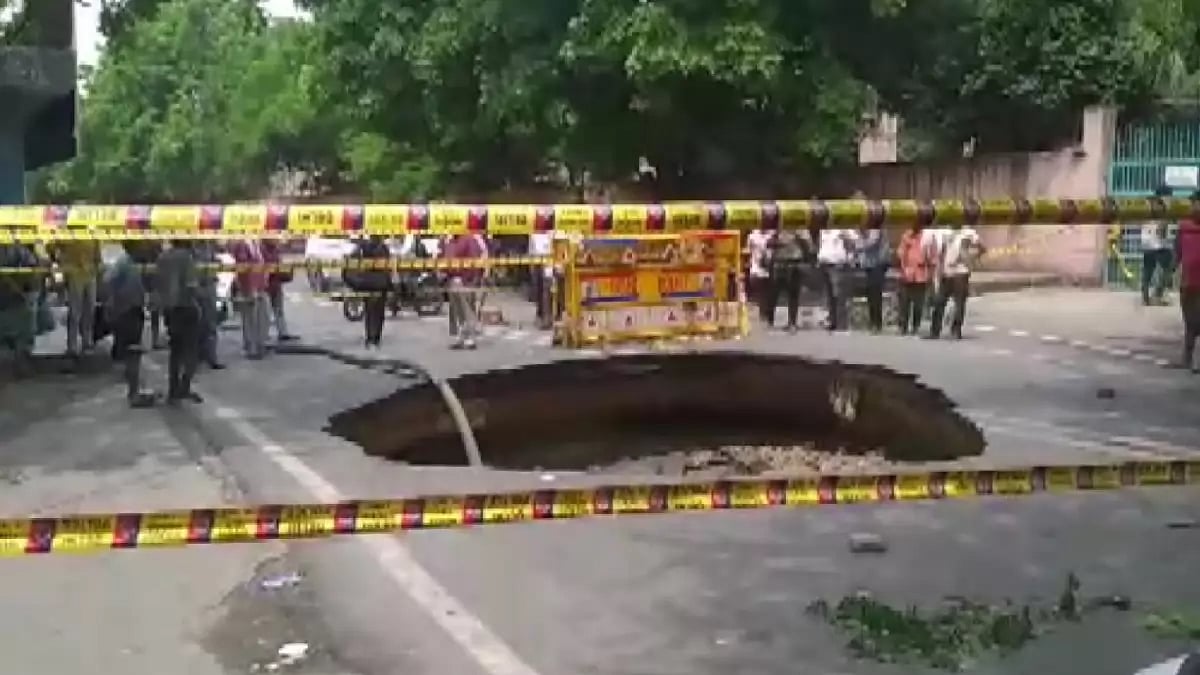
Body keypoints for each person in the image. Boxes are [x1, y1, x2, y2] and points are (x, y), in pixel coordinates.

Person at [103, 243, 157, 407]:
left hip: (133, 309)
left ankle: (134, 389)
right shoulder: (124, 264)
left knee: (133, 352)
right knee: (133, 352)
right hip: (127, 311)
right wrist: (114, 300)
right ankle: (133, 392)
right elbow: (107, 281)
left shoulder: (133, 264)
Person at [156, 241, 202, 404]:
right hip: (186, 308)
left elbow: (158, 284)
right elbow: (191, 285)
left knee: (175, 351)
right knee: (191, 351)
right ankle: (184, 386)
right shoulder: (187, 258)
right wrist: (199, 300)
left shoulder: (162, 258)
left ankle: (173, 389)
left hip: (170, 309)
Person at [928, 223, 985, 340]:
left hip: (960, 273)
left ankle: (955, 330)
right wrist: (939, 271)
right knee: (939, 302)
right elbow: (942, 253)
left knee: (958, 303)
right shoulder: (944, 232)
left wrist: (968, 259)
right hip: (946, 273)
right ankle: (935, 331)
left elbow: (981, 248)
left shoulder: (967, 233)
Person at [51, 240, 100, 358]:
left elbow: (97, 251)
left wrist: (97, 264)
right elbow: (52, 246)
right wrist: (61, 261)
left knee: (90, 309)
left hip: (90, 273)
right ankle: (72, 346)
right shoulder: (68, 233)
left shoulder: (91, 231)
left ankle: (87, 342)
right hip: (75, 273)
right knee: (75, 312)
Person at [346, 235, 392, 348]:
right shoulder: (384, 248)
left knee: (370, 311)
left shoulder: (363, 247)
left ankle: (370, 337)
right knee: (378, 312)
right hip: (380, 283)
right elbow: (388, 267)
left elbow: (352, 260)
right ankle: (375, 337)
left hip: (369, 283)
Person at [0, 244, 37, 378]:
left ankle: (21, 360)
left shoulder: (18, 250)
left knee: (24, 326)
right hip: (11, 297)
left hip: (15, 299)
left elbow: (32, 266)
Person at [230, 237, 270, 359]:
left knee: (262, 318)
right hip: (249, 289)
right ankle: (252, 348)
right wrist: (250, 289)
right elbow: (243, 269)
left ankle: (259, 345)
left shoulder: (256, 244)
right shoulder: (243, 245)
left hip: (260, 287)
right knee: (250, 319)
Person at [445, 232, 485, 349]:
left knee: (467, 311)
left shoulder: (469, 239)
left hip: (464, 281)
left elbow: (474, 260)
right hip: (452, 279)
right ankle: (461, 338)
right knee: (457, 312)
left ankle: (470, 339)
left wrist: (466, 278)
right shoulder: (450, 240)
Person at [764, 229, 810, 330]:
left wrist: (799, 238)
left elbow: (808, 247)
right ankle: (770, 320)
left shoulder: (802, 230)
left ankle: (792, 322)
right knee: (773, 293)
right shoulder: (778, 229)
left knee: (793, 294)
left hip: (795, 262)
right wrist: (781, 242)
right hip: (779, 262)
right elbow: (768, 243)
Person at [817, 227, 860, 331]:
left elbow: (855, 240)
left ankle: (842, 324)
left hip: (838, 264)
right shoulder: (824, 229)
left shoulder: (844, 228)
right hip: (824, 264)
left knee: (839, 295)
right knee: (829, 295)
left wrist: (846, 236)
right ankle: (832, 321)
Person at [1175, 198, 1200, 373]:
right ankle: (1187, 358)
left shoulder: (1183, 228)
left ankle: (1188, 358)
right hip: (1188, 282)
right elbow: (1177, 252)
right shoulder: (1183, 229)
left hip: (1190, 281)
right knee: (1190, 322)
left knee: (1192, 322)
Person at [896, 223, 933, 335]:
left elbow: (932, 256)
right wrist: (903, 268)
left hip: (921, 275)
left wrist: (930, 272)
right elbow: (900, 254)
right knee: (904, 303)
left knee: (918, 304)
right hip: (906, 274)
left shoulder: (927, 238)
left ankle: (915, 326)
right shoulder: (906, 237)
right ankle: (903, 326)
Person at [193, 241, 226, 370]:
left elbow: (215, 260)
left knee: (211, 325)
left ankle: (211, 357)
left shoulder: (208, 246)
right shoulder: (192, 249)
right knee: (197, 326)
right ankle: (197, 358)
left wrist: (217, 263)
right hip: (197, 290)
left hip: (209, 289)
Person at [128, 241, 165, 349]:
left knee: (147, 310)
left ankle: (144, 339)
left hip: (146, 279)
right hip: (146, 279)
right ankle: (149, 339)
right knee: (145, 310)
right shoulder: (149, 243)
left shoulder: (146, 242)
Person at [1142, 185, 1176, 306]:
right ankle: (1158, 294)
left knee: (1148, 270)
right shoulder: (1163, 204)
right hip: (1159, 243)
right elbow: (1163, 225)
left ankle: (1146, 298)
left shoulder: (1146, 203)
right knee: (1169, 267)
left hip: (1147, 242)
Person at [261, 239, 298, 344]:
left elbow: (278, 263)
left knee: (279, 310)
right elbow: (265, 267)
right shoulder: (261, 250)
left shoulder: (275, 250)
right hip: (266, 286)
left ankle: (283, 333)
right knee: (265, 312)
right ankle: (264, 335)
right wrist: (278, 269)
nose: (276, 240)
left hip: (276, 285)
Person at [859, 223, 890, 333]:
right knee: (871, 294)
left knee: (875, 294)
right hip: (869, 265)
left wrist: (857, 245)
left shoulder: (876, 227)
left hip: (878, 264)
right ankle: (873, 322)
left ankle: (877, 323)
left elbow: (872, 242)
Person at [746, 228, 772, 322]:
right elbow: (748, 250)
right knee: (760, 292)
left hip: (769, 268)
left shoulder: (772, 234)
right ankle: (763, 313)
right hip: (756, 268)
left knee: (767, 293)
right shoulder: (752, 236)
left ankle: (766, 313)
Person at [528, 231, 553, 328]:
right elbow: (531, 250)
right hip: (537, 262)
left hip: (549, 262)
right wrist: (531, 265)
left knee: (547, 291)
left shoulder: (552, 232)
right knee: (539, 290)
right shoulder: (534, 233)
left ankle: (547, 318)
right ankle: (540, 315)